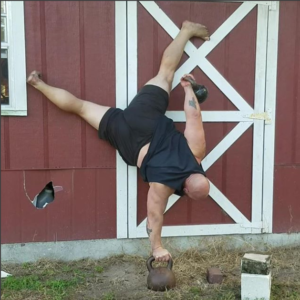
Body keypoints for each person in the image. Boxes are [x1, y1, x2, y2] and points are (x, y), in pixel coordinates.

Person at [27, 20, 211, 262]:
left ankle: (186, 30)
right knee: (81, 108)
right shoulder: (163, 185)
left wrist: (187, 88)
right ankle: (38, 84)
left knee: (165, 73)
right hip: (128, 139)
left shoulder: (196, 153)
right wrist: (157, 248)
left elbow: (194, 116)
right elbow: (154, 216)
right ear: (185, 190)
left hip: (145, 116)